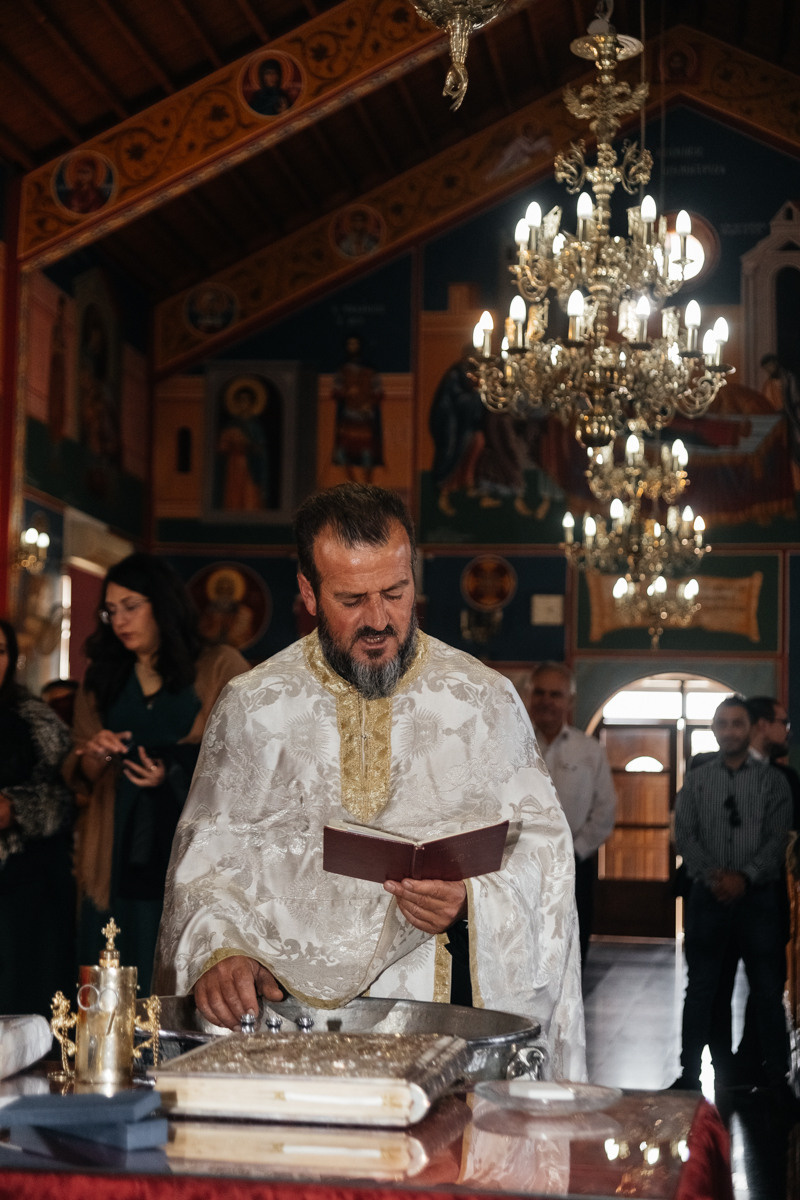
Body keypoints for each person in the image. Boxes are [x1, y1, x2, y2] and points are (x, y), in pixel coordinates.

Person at [154, 484, 586, 1081]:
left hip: (443, 1013)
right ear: (309, 591)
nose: (379, 620)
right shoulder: (254, 706)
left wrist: (471, 903)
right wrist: (218, 953)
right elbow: (205, 865)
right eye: (352, 599)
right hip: (287, 1022)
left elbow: (545, 853)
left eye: (395, 593)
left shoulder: (483, 701)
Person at [63, 554, 249, 992]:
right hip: (115, 840)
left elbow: (246, 751)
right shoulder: (103, 675)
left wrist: (173, 770)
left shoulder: (218, 664)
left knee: (179, 956)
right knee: (114, 950)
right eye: (111, 611)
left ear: (162, 604)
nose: (119, 621)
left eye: (131, 607)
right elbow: (79, 766)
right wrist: (98, 753)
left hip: (189, 836)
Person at [673, 695, 793, 1097]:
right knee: (702, 989)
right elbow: (685, 835)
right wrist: (714, 876)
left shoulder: (773, 782)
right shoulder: (697, 780)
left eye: (737, 723)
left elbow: (778, 839)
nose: (729, 731)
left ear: (750, 728)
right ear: (714, 729)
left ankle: (777, 1078)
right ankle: (690, 1075)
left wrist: (745, 877)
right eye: (722, 724)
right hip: (708, 899)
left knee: (767, 990)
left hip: (759, 901)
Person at [704, 695, 799, 1089]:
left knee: (766, 987)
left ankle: (759, 1066)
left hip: (765, 899)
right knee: (715, 987)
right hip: (717, 897)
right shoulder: (706, 768)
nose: (787, 731)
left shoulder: (787, 779)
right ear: (761, 725)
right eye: (782, 722)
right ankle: (724, 1070)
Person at [0, 618, 75, 1017]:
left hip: (24, 883)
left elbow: (68, 796)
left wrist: (16, 808)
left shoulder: (36, 719)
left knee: (22, 998)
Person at [527, 662, 617, 965]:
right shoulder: (511, 744)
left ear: (570, 701)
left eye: (556, 694)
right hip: (519, 865)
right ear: (528, 696)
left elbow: (605, 809)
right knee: (521, 950)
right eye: (540, 693)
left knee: (570, 953)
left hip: (574, 866)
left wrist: (574, 853)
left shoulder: (589, 750)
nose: (546, 701)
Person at [331, 336, 384, 482]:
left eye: (355, 343)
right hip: (348, 417)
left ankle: (366, 485)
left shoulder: (370, 370)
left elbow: (378, 393)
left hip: (365, 418)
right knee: (342, 453)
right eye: (349, 344)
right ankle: (353, 484)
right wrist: (346, 392)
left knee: (367, 453)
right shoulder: (343, 370)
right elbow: (336, 392)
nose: (352, 346)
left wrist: (369, 403)